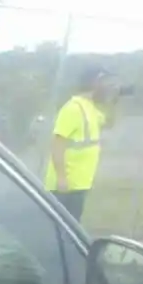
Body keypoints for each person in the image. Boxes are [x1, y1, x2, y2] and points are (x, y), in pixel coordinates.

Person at [44, 68, 118, 220]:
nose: (106, 88)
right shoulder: (72, 108)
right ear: (93, 84)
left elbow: (109, 123)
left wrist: (113, 102)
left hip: (80, 183)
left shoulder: (90, 107)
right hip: (65, 186)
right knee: (60, 228)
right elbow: (57, 144)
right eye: (104, 84)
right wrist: (62, 177)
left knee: (71, 227)